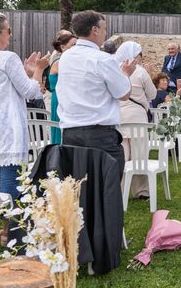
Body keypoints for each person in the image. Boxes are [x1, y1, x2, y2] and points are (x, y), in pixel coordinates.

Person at [0, 3, 50, 245]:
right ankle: (10, 232)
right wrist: (37, 71)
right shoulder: (7, 57)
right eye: (8, 30)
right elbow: (28, 91)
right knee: (10, 176)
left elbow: (3, 87)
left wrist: (24, 71)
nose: (10, 34)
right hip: (5, 124)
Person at [57, 10, 136, 181]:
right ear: (95, 30)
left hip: (70, 133)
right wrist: (126, 73)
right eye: (104, 29)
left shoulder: (65, 57)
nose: (105, 34)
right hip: (99, 135)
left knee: (78, 192)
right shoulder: (103, 59)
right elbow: (123, 94)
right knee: (106, 191)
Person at [116, 41, 157, 200]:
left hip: (119, 116)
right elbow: (152, 94)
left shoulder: (115, 69)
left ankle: (119, 189)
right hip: (137, 117)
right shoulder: (140, 72)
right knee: (139, 154)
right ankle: (141, 191)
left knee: (122, 155)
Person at [48, 30, 77, 144]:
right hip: (60, 99)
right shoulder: (60, 61)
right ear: (63, 47)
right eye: (73, 45)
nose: (76, 47)